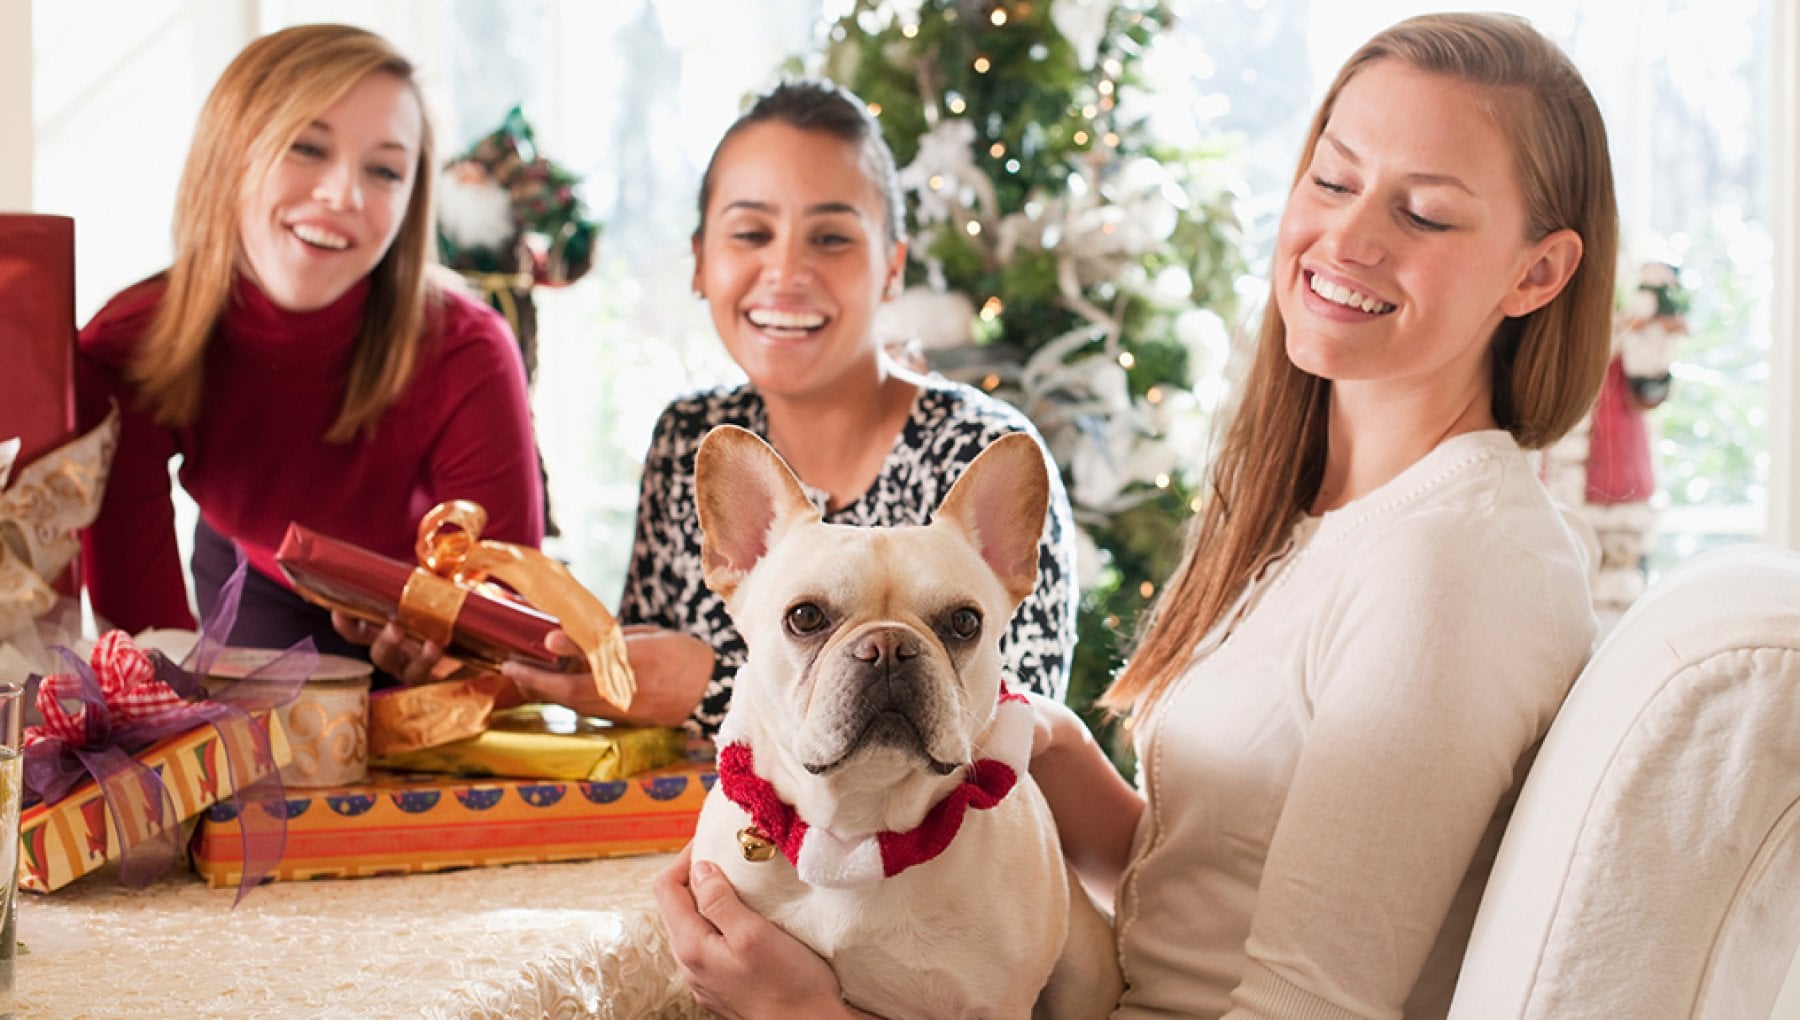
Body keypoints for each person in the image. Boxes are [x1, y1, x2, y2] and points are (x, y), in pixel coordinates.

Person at [654, 12, 1617, 1018]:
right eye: (1332, 180)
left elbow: (1306, 1006)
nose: (1350, 236)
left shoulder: (1451, 564)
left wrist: (804, 1014)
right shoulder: (1323, 515)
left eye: (1422, 213)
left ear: (1537, 272)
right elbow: (1209, 892)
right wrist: (1063, 758)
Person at [77, 24, 543, 664]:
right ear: (231, 154)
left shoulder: (469, 348)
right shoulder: (124, 347)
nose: (343, 195)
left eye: (383, 170)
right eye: (306, 148)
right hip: (253, 566)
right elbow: (141, 641)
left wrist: (455, 655)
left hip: (415, 606)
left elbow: (510, 611)